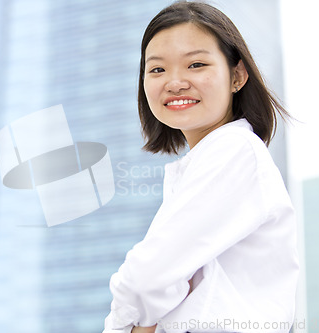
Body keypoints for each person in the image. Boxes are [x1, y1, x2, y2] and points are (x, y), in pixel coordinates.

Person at [102, 1, 299, 333]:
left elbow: (147, 277)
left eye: (195, 64)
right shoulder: (213, 158)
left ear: (237, 75)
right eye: (157, 69)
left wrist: (127, 326)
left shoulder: (234, 150)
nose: (175, 82)